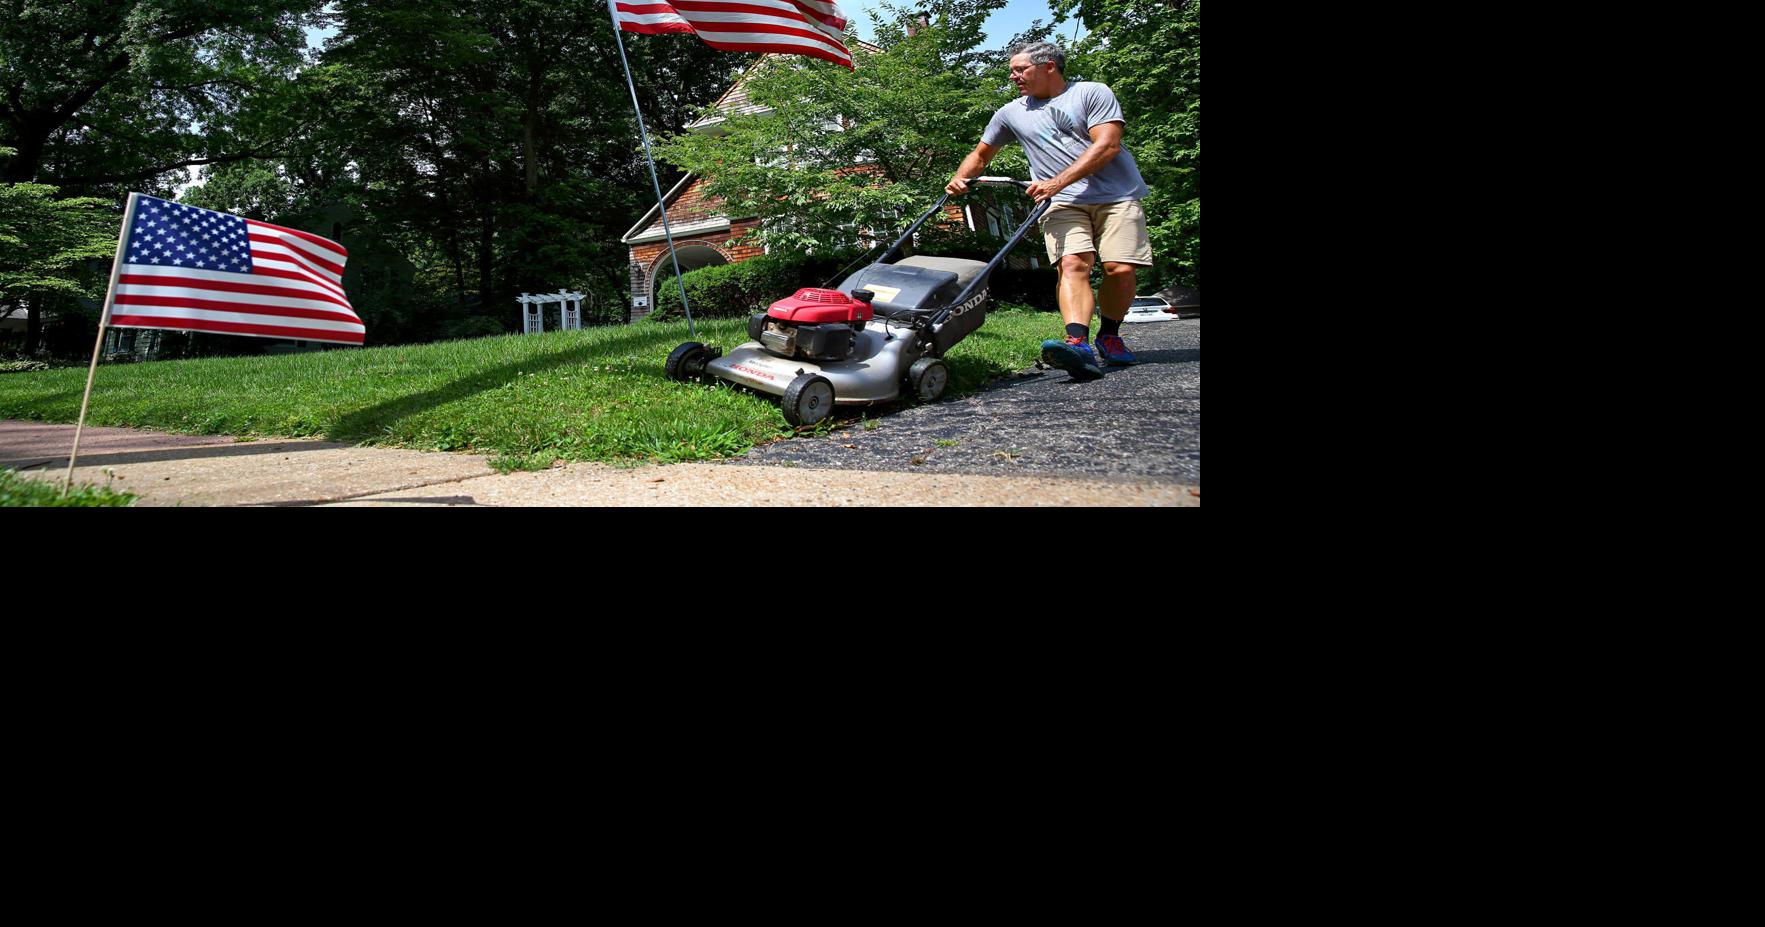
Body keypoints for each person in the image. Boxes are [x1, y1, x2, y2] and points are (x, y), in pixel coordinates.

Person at [946, 41, 1152, 381]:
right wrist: (959, 177)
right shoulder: (1011, 113)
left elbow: (1108, 145)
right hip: (1060, 202)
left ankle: (1110, 334)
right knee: (1073, 263)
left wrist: (1056, 181)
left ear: (1049, 67)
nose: (1013, 76)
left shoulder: (1091, 93)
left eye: (1020, 69)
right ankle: (1078, 343)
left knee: (1120, 268)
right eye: (1012, 70)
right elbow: (981, 154)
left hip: (1117, 195)